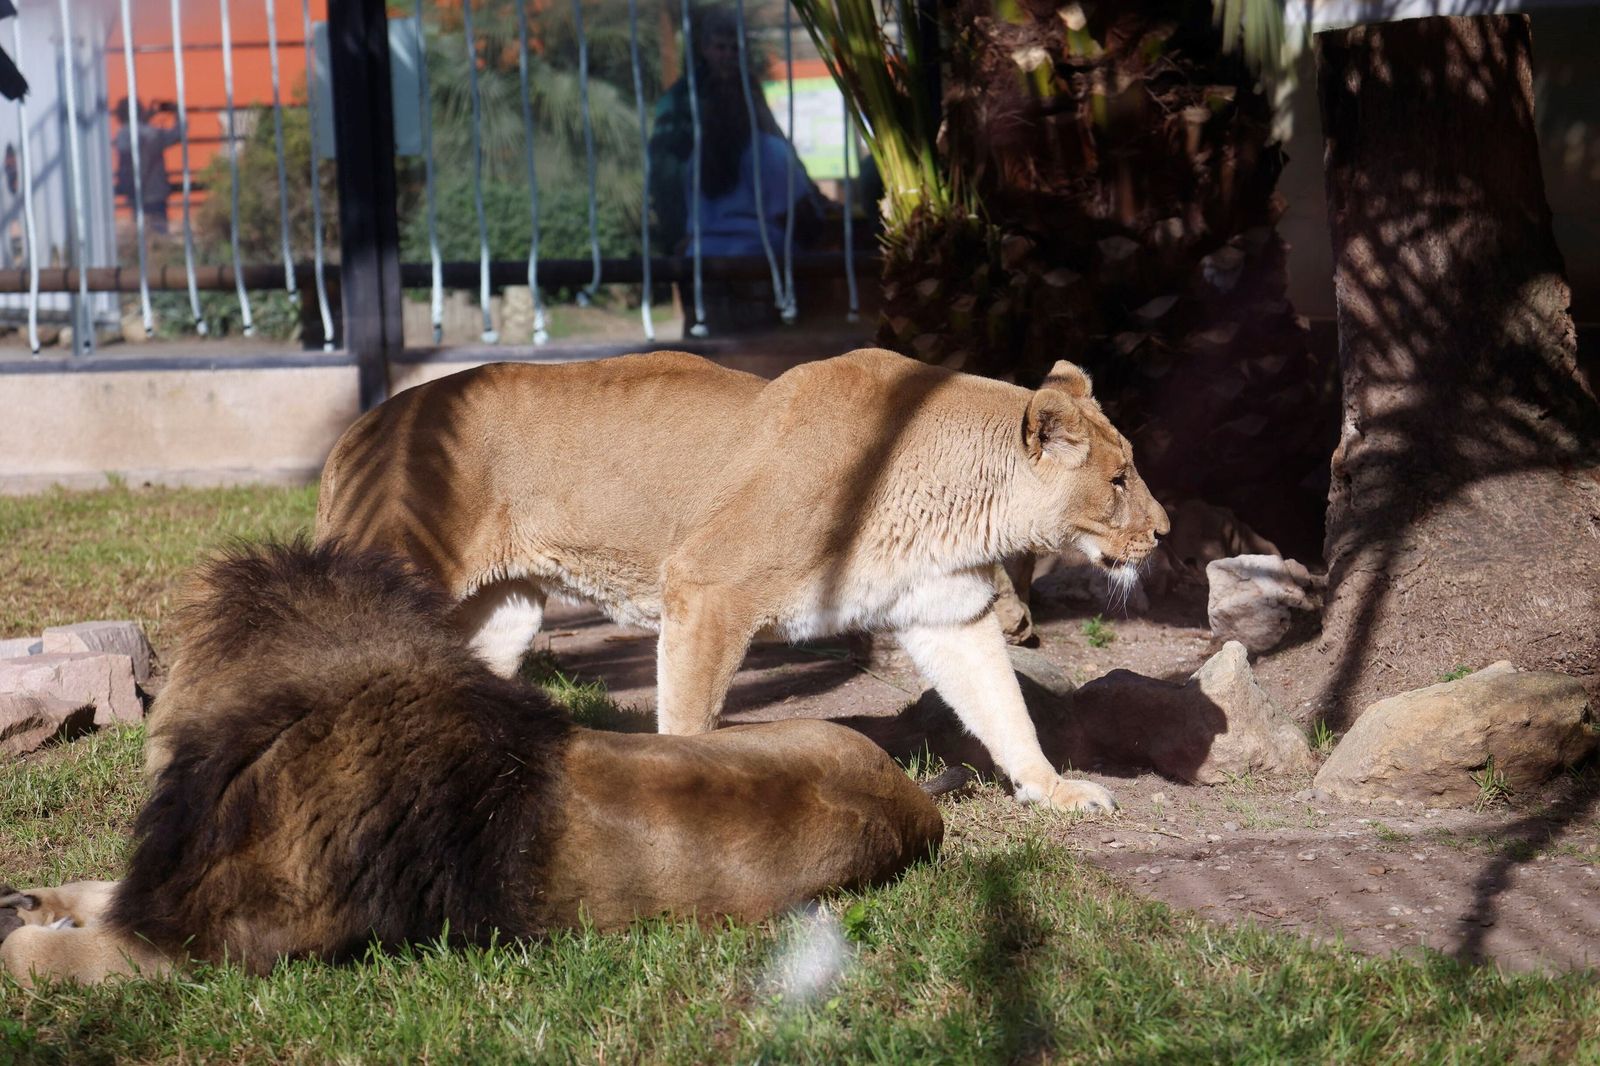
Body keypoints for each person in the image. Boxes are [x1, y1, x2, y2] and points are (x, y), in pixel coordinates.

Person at [648, 6, 823, 331]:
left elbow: (776, 143)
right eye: (720, 47)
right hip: (704, 233)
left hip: (742, 234)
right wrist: (681, 236)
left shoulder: (750, 92)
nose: (727, 55)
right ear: (704, 49)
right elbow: (664, 174)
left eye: (734, 47)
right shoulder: (681, 100)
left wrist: (809, 193)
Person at [113, 97, 183, 235]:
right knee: (159, 235)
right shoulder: (152, 134)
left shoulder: (121, 135)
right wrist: (178, 113)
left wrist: (144, 119)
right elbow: (177, 134)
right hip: (155, 192)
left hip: (134, 192)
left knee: (140, 235)